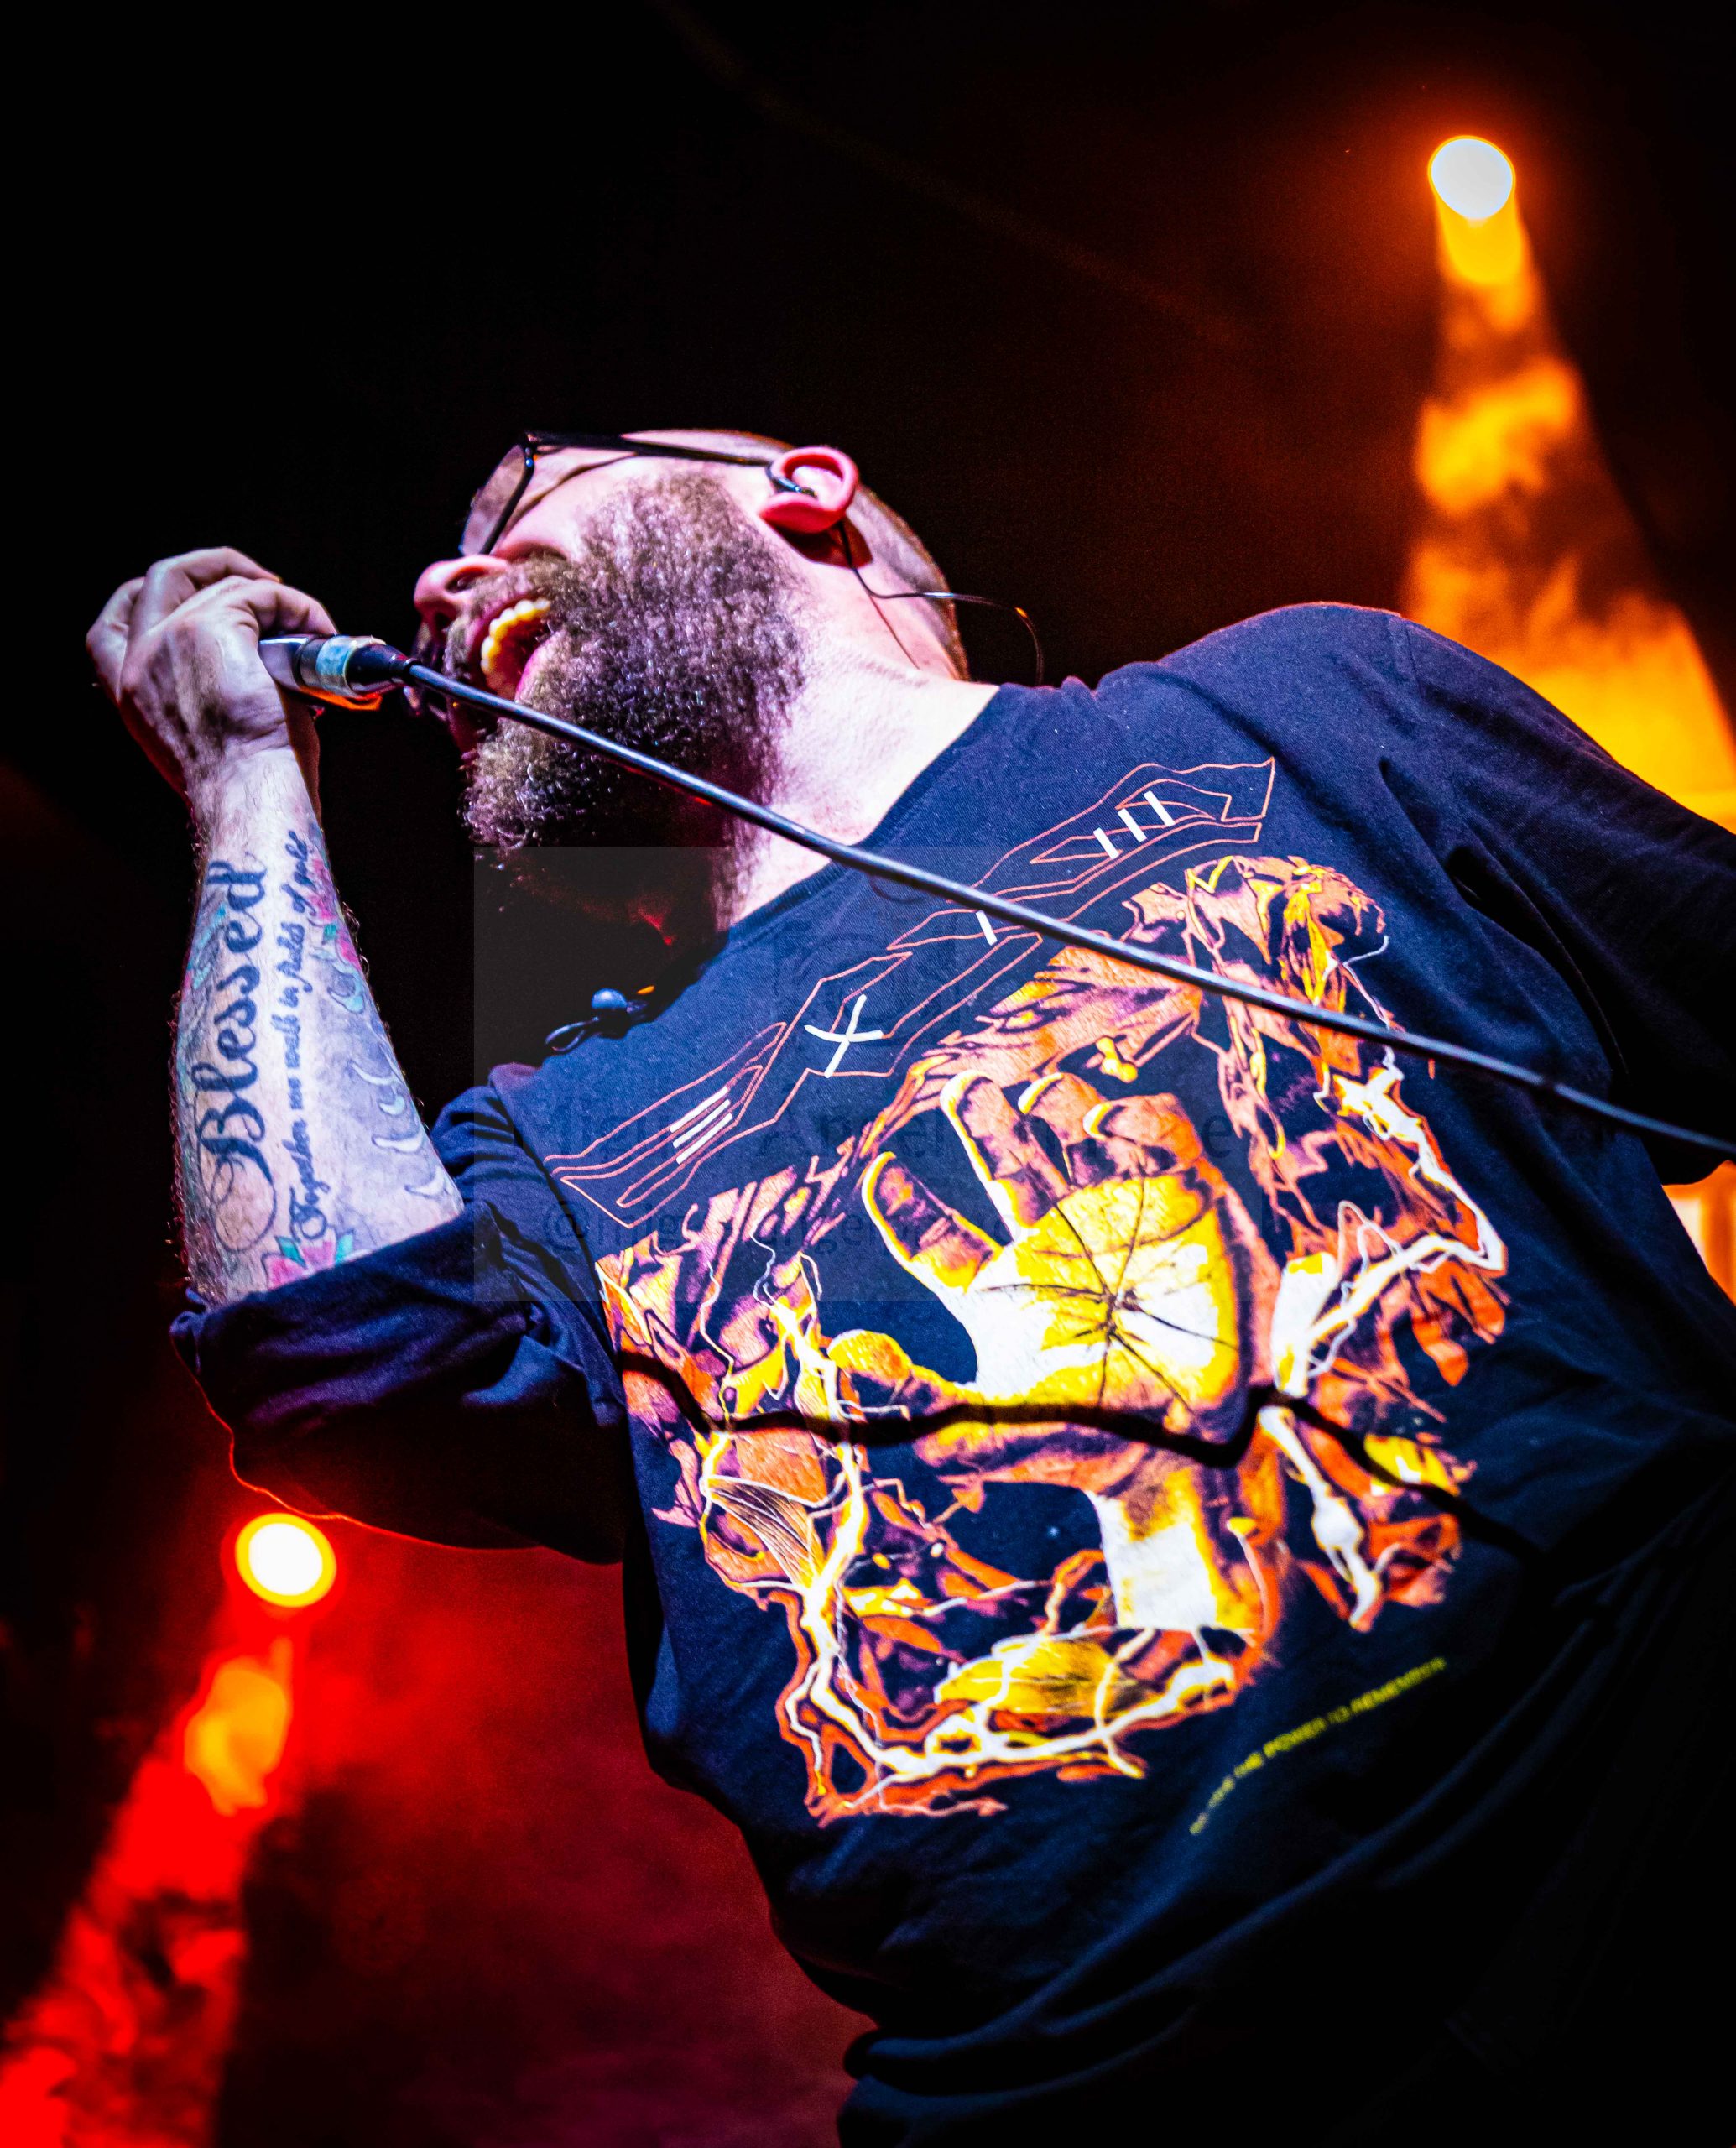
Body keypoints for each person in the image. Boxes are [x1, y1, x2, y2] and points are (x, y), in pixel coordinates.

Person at [87, 431, 1736, 2144]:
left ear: (804, 490)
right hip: (1083, 2092)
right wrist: (245, 779)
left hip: (1653, 1860)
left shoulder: (1284, 709)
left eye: (524, 500)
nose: (443, 584)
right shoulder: (562, 1136)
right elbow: (330, 1357)